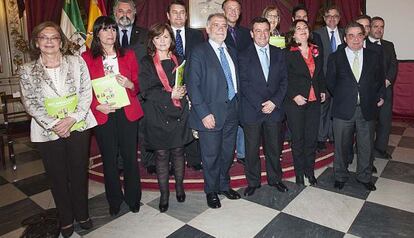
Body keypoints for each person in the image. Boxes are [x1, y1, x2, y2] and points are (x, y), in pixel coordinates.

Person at [19, 21, 97, 237]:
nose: (49, 41)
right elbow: (30, 102)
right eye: (44, 37)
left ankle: (82, 214)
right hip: (47, 130)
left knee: (79, 172)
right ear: (37, 42)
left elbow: (85, 92)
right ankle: (65, 219)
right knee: (57, 176)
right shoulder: (27, 70)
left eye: (54, 37)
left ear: (61, 41)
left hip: (78, 125)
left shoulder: (76, 62)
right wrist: (55, 124)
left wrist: (71, 119)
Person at [82, 16, 143, 216]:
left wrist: (130, 85)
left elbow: (137, 85)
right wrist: (96, 106)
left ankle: (134, 198)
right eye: (105, 29)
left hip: (127, 111)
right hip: (104, 114)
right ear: (97, 33)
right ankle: (114, 200)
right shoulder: (86, 58)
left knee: (130, 158)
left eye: (113, 29)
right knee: (109, 159)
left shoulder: (128, 55)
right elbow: (83, 89)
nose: (111, 33)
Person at [186, 13, 241, 209]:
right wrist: (203, 114)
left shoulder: (232, 51)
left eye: (224, 26)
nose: (220, 29)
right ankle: (211, 190)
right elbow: (193, 85)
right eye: (216, 25)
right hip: (210, 114)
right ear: (207, 29)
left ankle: (224, 185)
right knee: (210, 156)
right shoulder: (199, 52)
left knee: (227, 153)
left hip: (232, 112)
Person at [139, 23, 192, 212]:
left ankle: (179, 187)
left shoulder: (179, 59)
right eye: (158, 37)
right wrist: (170, 95)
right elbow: (145, 91)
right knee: (161, 155)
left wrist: (184, 90)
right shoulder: (146, 61)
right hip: (157, 114)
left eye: (166, 37)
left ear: (171, 40)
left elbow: (186, 82)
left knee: (178, 151)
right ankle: (164, 194)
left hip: (178, 112)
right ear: (152, 41)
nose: (162, 41)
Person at [327, 22, 385, 191]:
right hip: (343, 109)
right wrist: (344, 96)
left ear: (364, 36)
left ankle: (364, 177)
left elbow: (379, 80)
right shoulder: (335, 57)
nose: (355, 39)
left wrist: (380, 95)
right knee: (341, 146)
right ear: (345, 39)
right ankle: (340, 175)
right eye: (351, 36)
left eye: (359, 35)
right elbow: (330, 82)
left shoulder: (373, 56)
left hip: (366, 109)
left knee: (366, 145)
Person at [239, 17, 288, 196]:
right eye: (257, 31)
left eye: (265, 30)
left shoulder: (279, 53)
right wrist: (261, 104)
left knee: (274, 148)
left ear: (270, 32)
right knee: (251, 150)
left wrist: (274, 102)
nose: (262, 34)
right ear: (252, 34)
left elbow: (284, 81)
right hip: (252, 110)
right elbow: (243, 83)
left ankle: (275, 179)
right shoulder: (243, 54)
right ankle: (253, 182)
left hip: (274, 110)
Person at [114, 0, 154, 174]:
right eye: (121, 11)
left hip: (141, 90)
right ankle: (121, 162)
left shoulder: (146, 34)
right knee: (120, 131)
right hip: (114, 92)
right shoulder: (107, 33)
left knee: (145, 128)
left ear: (134, 14)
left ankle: (149, 161)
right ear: (115, 14)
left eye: (129, 11)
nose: (125, 14)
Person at [284, 20, 326, 186]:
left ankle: (310, 171)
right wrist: (294, 95)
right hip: (295, 102)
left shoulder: (316, 50)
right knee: (298, 139)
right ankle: (299, 173)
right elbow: (283, 78)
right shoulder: (287, 52)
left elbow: (320, 73)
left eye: (305, 28)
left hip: (314, 101)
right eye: (298, 28)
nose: (302, 30)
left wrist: (322, 89)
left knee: (311, 139)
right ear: (293, 34)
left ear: (309, 32)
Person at [166, 0, 204, 171]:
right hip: (169, 86)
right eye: (175, 12)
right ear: (168, 16)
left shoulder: (196, 35)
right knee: (174, 124)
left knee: (192, 120)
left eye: (182, 12)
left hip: (193, 84)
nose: (179, 15)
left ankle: (194, 158)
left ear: (187, 16)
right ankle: (174, 161)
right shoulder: (163, 34)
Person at [222, 0, 252, 165]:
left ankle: (242, 153)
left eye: (236, 9)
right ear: (223, 10)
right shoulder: (218, 31)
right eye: (229, 8)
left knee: (243, 118)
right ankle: (226, 153)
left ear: (240, 13)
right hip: (225, 83)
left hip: (244, 82)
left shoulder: (247, 33)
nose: (233, 11)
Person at [313, 5, 344, 152]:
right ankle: (320, 138)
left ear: (339, 18)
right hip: (323, 79)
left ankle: (333, 135)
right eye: (329, 16)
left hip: (342, 81)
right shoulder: (316, 34)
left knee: (337, 109)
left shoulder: (346, 34)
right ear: (324, 19)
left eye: (335, 16)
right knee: (322, 110)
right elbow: (316, 60)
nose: (332, 19)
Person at [369, 16, 398, 160]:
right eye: (376, 26)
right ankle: (367, 154)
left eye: (381, 27)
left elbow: (393, 66)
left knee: (385, 121)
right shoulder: (362, 44)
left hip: (386, 89)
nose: (379, 29)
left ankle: (380, 149)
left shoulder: (389, 45)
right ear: (369, 28)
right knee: (369, 124)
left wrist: (387, 81)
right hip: (369, 92)